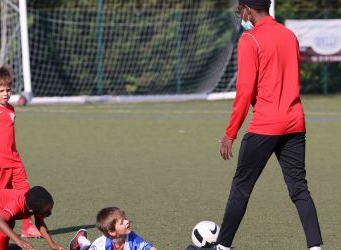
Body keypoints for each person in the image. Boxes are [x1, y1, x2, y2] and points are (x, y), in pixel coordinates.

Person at [187, 0, 323, 249]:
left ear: (249, 9)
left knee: (241, 187)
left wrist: (230, 133)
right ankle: (316, 247)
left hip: (265, 125)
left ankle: (222, 246)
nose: (240, 14)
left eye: (240, 10)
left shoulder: (250, 40)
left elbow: (245, 90)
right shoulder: (289, 35)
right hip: (295, 123)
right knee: (299, 188)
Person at [0, 66, 41, 238]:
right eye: (1, 90)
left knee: (24, 192)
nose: (5, 94)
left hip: (15, 160)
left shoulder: (11, 109)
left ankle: (27, 227)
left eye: (8, 90)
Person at [0, 186, 66, 250]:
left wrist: (52, 244)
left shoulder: (33, 203)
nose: (49, 213)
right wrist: (19, 241)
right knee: (7, 223)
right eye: (46, 211)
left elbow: (40, 224)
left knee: (8, 222)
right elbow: (0, 222)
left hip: (0, 209)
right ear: (31, 210)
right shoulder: (18, 204)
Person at [69, 207, 157, 250]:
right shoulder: (102, 246)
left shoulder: (130, 236)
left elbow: (150, 249)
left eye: (125, 219)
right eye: (122, 222)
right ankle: (80, 239)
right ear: (112, 232)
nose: (127, 221)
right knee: (86, 247)